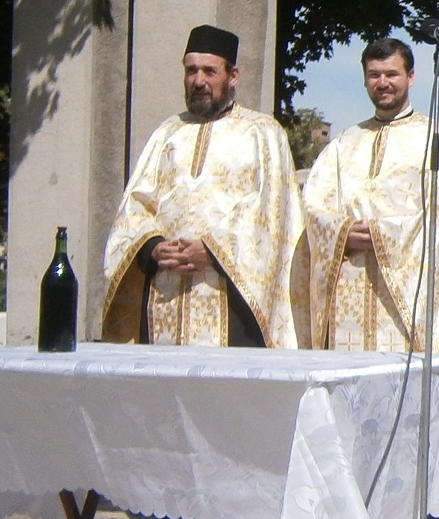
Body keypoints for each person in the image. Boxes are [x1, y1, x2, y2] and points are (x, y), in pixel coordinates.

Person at [302, 37, 439, 419]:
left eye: (391, 74)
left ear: (411, 76)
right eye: (374, 75)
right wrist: (340, 232)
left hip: (404, 303)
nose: (383, 83)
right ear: (364, 80)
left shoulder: (437, 138)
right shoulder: (343, 145)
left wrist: (385, 235)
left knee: (403, 413)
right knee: (347, 413)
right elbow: (314, 207)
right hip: (348, 296)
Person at [101, 24, 307, 352]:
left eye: (210, 71)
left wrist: (210, 249)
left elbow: (271, 214)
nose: (199, 81)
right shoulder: (166, 133)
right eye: (191, 71)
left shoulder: (263, 133)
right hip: (164, 293)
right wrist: (153, 247)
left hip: (233, 299)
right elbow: (136, 205)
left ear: (233, 75)